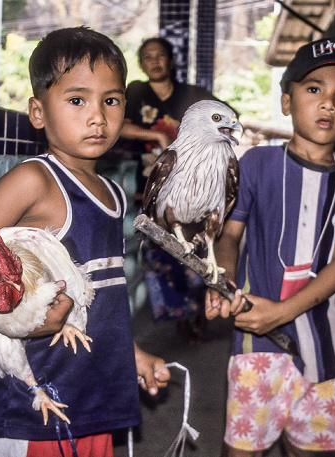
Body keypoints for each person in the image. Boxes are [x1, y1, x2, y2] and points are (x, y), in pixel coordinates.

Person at [0, 27, 170, 457]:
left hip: (91, 399)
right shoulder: (34, 181)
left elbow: (101, 300)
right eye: (77, 100)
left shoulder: (112, 194)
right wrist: (16, 315)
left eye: (111, 100)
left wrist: (131, 354)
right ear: (38, 112)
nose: (97, 116)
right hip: (30, 411)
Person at [205, 38, 335, 457]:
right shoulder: (256, 164)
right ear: (287, 101)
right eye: (314, 89)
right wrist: (222, 278)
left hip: (326, 351)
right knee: (243, 450)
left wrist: (281, 313)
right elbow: (229, 235)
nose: (328, 104)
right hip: (256, 350)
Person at [119, 36, 232, 343]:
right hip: (154, 192)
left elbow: (226, 122)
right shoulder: (137, 92)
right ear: (142, 63)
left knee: (195, 249)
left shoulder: (192, 95)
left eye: (160, 55)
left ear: (171, 61)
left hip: (196, 190)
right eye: (147, 56)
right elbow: (116, 125)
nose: (154, 61)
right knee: (161, 256)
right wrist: (155, 136)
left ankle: (199, 311)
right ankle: (181, 317)